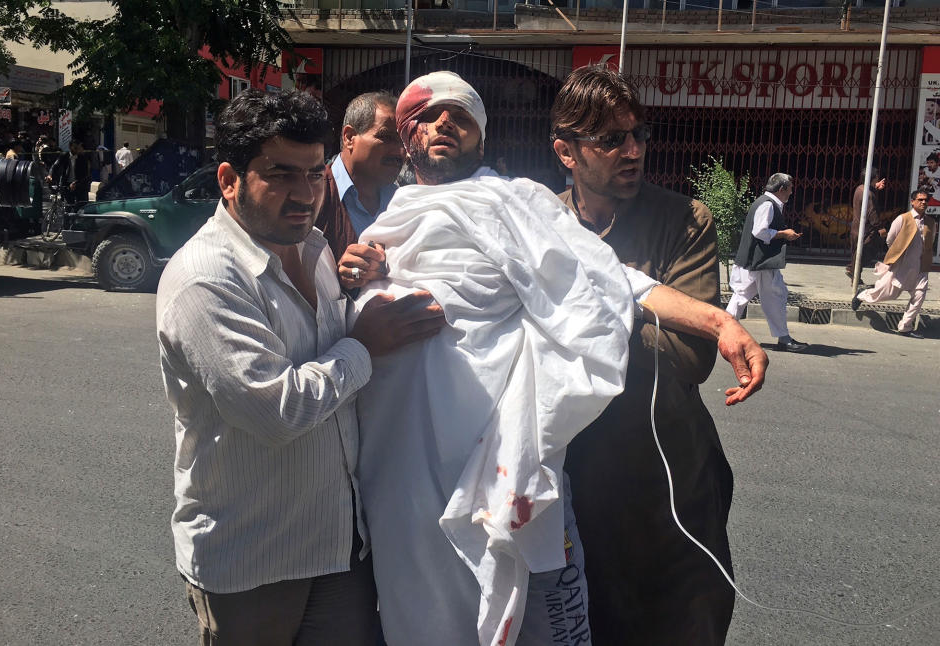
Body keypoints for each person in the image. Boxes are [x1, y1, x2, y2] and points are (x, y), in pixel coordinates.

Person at [347, 70, 767, 646]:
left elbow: (609, 280)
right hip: (408, 463)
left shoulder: (519, 203)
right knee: (420, 609)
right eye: (427, 114)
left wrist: (718, 320)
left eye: (462, 115)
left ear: (483, 138)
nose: (444, 122)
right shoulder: (387, 227)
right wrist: (369, 288)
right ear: (405, 135)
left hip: (530, 455)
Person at [155, 89, 446, 646]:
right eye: (280, 174)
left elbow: (337, 360)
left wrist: (368, 281)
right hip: (253, 562)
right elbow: (275, 410)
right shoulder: (207, 279)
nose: (304, 193)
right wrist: (364, 344)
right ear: (228, 179)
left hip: (339, 546)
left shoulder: (315, 248)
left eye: (315, 174)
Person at [549, 64, 735, 645]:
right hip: (572, 486)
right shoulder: (539, 225)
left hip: (669, 489)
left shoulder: (684, 220)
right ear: (566, 152)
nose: (632, 150)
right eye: (610, 139)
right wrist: (638, 302)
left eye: (639, 134)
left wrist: (573, 309)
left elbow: (686, 356)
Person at [314, 91, 405, 272]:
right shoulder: (313, 193)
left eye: (403, 140)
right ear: (349, 138)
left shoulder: (402, 200)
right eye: (386, 137)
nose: (400, 151)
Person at [726, 173, 809, 352]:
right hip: (761, 261)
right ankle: (783, 339)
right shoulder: (767, 205)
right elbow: (760, 232)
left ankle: (724, 331)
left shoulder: (765, 202)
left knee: (742, 297)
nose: (792, 192)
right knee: (775, 297)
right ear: (781, 189)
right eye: (790, 188)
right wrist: (783, 234)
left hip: (756, 261)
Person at [851, 189, 937, 338]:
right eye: (920, 199)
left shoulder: (931, 222)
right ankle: (862, 294)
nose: (924, 202)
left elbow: (931, 241)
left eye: (925, 200)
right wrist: (897, 253)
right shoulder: (903, 219)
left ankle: (905, 327)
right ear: (912, 201)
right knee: (887, 293)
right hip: (902, 264)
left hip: (921, 266)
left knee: (919, 296)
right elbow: (890, 239)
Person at [846, 168, 887, 285]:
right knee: (867, 251)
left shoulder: (860, 188)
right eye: (876, 178)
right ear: (873, 178)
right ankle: (852, 270)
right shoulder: (868, 194)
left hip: (856, 228)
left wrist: (875, 187)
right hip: (865, 230)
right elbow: (871, 212)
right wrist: (880, 228)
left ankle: (854, 275)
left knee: (858, 252)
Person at [47, 140, 90, 206]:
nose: (77, 150)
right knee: (68, 207)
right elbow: (55, 166)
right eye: (75, 148)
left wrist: (76, 183)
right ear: (70, 147)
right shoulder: (64, 156)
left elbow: (86, 174)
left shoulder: (83, 158)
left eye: (78, 148)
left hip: (79, 184)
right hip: (66, 185)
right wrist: (50, 175)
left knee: (81, 207)